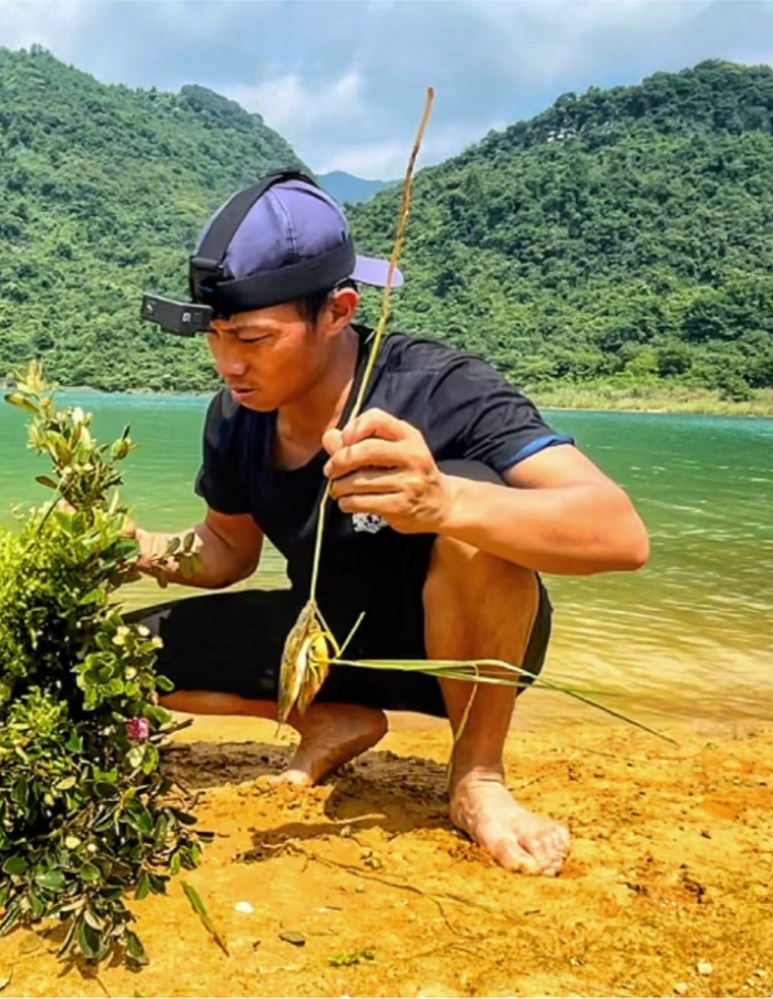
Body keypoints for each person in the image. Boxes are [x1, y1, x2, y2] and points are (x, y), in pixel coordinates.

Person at [123, 170, 650, 878]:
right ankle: (328, 718)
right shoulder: (234, 415)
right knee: (118, 656)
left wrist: (444, 501)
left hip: (470, 646)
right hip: (325, 640)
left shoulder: (439, 386)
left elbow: (619, 534)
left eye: (251, 337)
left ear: (338, 310)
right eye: (215, 337)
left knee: (475, 499)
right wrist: (132, 547)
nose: (229, 364)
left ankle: (477, 777)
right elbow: (223, 551)